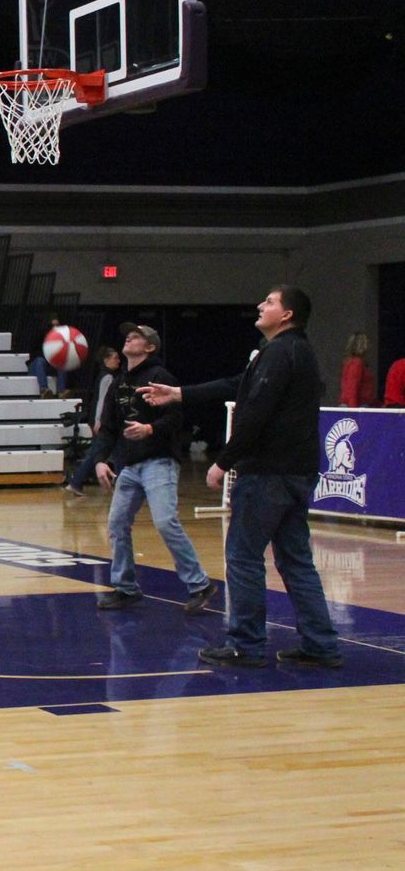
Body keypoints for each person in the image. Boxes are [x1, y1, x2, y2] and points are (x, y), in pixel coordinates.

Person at [141, 286, 342, 668]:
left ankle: (245, 645)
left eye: (269, 301)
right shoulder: (291, 352)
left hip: (268, 474)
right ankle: (321, 645)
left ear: (286, 315)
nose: (260, 305)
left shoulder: (282, 352)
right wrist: (180, 393)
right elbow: (238, 385)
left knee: (243, 558)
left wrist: (224, 461)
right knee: (296, 561)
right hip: (297, 472)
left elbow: (255, 413)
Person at [93, 323, 217, 615]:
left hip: (159, 461)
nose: (129, 338)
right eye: (128, 335)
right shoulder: (118, 382)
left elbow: (176, 420)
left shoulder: (160, 377)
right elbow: (108, 428)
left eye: (136, 336)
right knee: (116, 524)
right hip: (130, 465)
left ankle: (199, 584)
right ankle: (125, 588)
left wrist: (150, 428)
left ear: (150, 347)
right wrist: (100, 460)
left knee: (164, 522)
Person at [65, 346, 121, 495]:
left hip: (100, 420)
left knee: (104, 451)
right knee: (97, 452)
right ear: (106, 360)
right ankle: (76, 482)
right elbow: (102, 400)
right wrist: (98, 420)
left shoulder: (104, 375)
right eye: (115, 357)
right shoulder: (108, 377)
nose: (118, 360)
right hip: (102, 421)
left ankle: (77, 482)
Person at [27, 313, 69, 398]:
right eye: (52, 325)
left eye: (57, 325)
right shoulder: (40, 336)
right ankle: (44, 390)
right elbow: (34, 354)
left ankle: (61, 391)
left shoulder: (62, 338)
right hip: (37, 365)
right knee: (40, 361)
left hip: (50, 365)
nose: (55, 328)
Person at [340, 332, 376, 407]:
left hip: (359, 405)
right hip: (357, 406)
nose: (369, 345)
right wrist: (353, 411)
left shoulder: (356, 362)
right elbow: (352, 387)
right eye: (366, 342)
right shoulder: (356, 363)